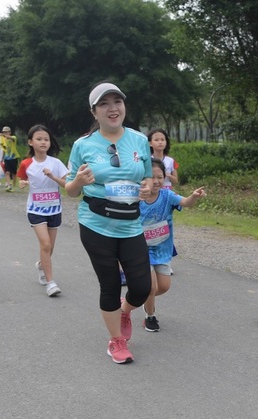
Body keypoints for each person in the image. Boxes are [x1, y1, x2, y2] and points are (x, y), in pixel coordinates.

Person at [65, 82, 153, 364]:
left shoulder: (139, 140)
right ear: (94, 112)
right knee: (110, 284)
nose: (112, 108)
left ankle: (124, 311)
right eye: (104, 104)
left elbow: (148, 177)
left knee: (142, 287)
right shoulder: (82, 145)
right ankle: (116, 341)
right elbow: (70, 190)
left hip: (131, 224)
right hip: (96, 224)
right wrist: (79, 181)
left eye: (117, 102)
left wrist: (147, 187)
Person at [138, 159, 206, 331]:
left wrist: (194, 196)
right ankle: (150, 316)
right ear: (143, 179)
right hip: (141, 249)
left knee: (163, 287)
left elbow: (185, 202)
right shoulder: (136, 198)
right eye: (152, 177)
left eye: (160, 177)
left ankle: (136, 299)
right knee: (151, 287)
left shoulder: (167, 195)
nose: (156, 181)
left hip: (162, 248)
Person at [17, 124, 69, 298]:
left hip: (54, 209)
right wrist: (23, 183)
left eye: (46, 139)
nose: (43, 142)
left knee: (50, 248)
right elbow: (21, 179)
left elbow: (67, 185)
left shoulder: (56, 163)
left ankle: (41, 265)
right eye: (39, 139)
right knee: (45, 244)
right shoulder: (26, 163)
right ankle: (50, 282)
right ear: (30, 142)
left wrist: (53, 176)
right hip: (35, 209)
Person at [0, 126, 19, 192]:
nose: (5, 133)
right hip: (6, 158)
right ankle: (9, 185)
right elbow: (4, 149)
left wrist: (4, 135)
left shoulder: (13, 138)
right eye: (4, 132)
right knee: (7, 172)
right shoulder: (3, 140)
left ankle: (13, 186)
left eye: (6, 132)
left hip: (13, 157)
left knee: (14, 173)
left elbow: (11, 138)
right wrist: (2, 158)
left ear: (10, 132)